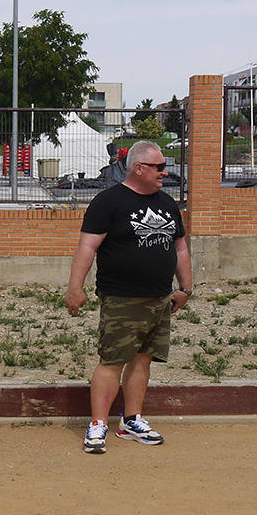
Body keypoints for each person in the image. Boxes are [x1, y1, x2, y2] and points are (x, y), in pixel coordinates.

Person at [64, 141, 193, 454]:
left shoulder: (167, 203)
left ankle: (131, 420)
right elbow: (87, 247)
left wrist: (185, 288)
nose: (165, 172)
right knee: (112, 361)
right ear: (139, 168)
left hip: (160, 298)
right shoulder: (108, 202)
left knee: (143, 359)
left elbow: (180, 248)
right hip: (121, 298)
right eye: (159, 167)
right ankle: (97, 424)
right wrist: (75, 287)